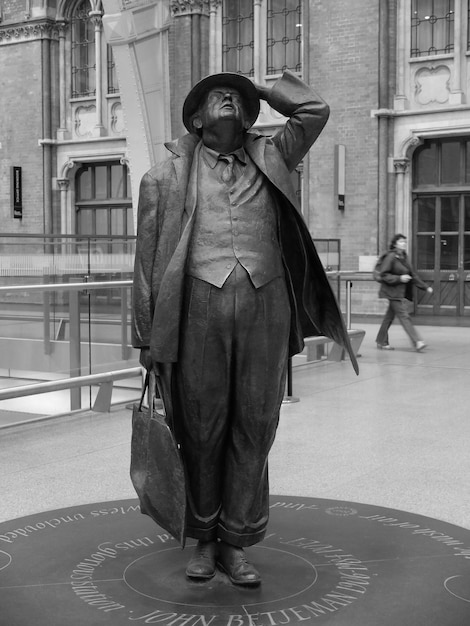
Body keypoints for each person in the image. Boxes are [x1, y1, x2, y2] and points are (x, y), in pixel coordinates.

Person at [132, 69, 358, 587]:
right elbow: (145, 263)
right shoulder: (162, 177)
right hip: (196, 314)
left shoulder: (274, 155)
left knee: (255, 427)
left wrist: (255, 88)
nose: (228, 98)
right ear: (195, 119)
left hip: (265, 307)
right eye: (217, 96)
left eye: (235, 97)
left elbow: (314, 110)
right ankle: (205, 538)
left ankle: (237, 540)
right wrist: (147, 337)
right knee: (202, 429)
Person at [376, 233, 433, 352]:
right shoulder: (391, 257)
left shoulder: (403, 257)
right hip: (392, 292)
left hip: (399, 292)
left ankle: (381, 340)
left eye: (405, 242)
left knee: (389, 317)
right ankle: (417, 342)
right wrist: (399, 278)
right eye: (401, 242)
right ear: (395, 243)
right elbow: (383, 274)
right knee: (404, 316)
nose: (404, 244)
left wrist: (425, 287)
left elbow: (412, 275)